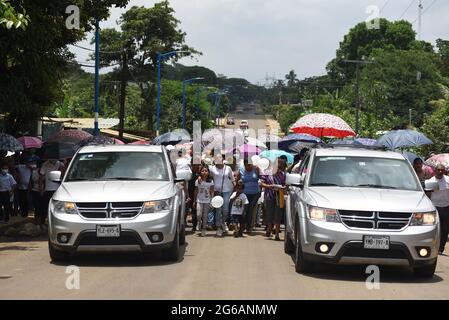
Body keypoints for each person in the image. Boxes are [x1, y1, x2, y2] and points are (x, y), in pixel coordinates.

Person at [425, 164, 449, 254]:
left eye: (442, 170)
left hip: (446, 207)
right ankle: (432, 246)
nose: (440, 172)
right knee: (434, 228)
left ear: (444, 171)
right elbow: (428, 195)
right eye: (438, 170)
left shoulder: (447, 180)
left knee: (445, 229)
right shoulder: (430, 181)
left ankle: (441, 248)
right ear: (435, 171)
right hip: (434, 207)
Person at [260, 158, 286, 240]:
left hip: (279, 197)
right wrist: (269, 186)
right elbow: (261, 183)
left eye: (280, 167)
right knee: (269, 214)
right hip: (269, 196)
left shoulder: (283, 174)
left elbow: (285, 185)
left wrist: (283, 187)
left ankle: (277, 234)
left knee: (278, 215)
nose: (278, 169)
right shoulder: (267, 173)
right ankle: (269, 228)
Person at [209, 153, 235, 236]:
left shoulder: (228, 168)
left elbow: (233, 179)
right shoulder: (212, 169)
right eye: (216, 157)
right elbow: (209, 179)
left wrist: (236, 187)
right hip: (217, 191)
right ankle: (218, 226)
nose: (218, 159)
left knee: (225, 210)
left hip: (227, 190)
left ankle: (223, 222)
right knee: (218, 209)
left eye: (220, 157)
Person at [237, 157, 261, 234]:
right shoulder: (241, 170)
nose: (249, 167)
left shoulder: (256, 169)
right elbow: (238, 180)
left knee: (250, 210)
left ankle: (249, 227)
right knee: (244, 210)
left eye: (250, 165)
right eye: (247, 165)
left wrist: (259, 172)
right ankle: (242, 226)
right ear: (244, 165)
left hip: (255, 193)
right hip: (245, 193)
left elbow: (261, 178)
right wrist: (239, 182)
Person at [39, 158, 65, 225]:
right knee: (45, 207)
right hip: (48, 189)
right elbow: (41, 177)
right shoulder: (45, 164)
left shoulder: (61, 164)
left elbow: (64, 176)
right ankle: (43, 222)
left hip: (58, 189)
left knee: (58, 207)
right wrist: (41, 189)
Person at [194, 166, 214, 237]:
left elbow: (212, 191)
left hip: (207, 200)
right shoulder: (198, 181)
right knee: (198, 214)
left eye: (206, 171)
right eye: (203, 171)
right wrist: (194, 201)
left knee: (205, 215)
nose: (204, 172)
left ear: (208, 173)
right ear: (200, 172)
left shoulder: (211, 181)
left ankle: (204, 229)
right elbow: (196, 191)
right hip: (199, 199)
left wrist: (212, 200)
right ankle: (199, 222)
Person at [28, 161, 44, 227]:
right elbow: (30, 182)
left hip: (44, 191)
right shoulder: (34, 173)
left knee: (42, 207)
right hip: (35, 191)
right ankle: (37, 221)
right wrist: (29, 191)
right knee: (37, 207)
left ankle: (42, 221)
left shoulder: (45, 173)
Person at [188, 160, 202, 231]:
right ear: (192, 165)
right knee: (194, 210)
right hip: (191, 194)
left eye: (198, 164)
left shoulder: (202, 174)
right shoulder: (189, 174)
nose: (197, 166)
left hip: (201, 195)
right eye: (195, 165)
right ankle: (194, 225)